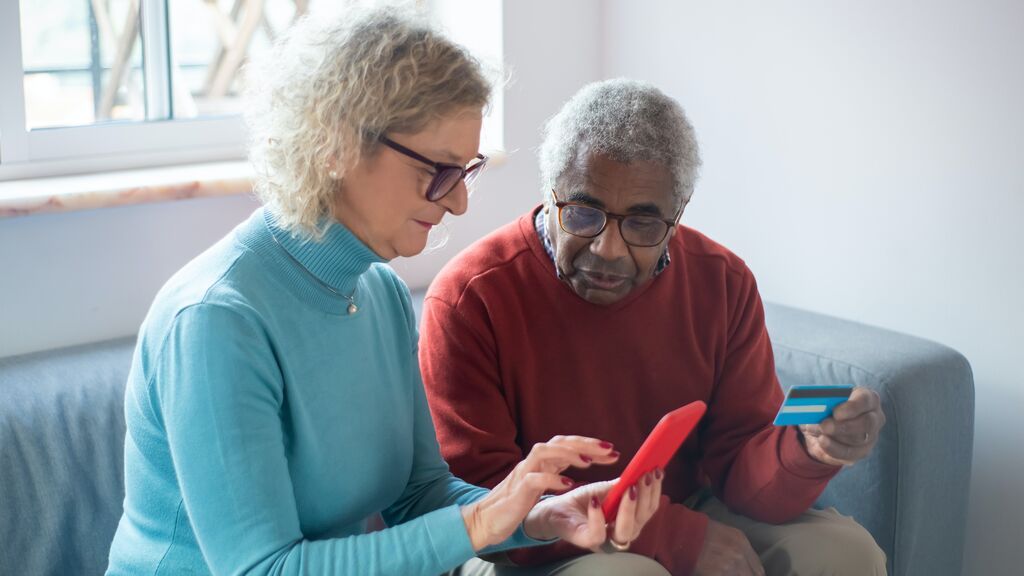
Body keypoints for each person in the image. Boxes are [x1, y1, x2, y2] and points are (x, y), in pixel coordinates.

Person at [105, 12, 663, 576]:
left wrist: (540, 517)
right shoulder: (217, 320)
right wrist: (480, 523)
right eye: (437, 171)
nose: (457, 203)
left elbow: (417, 493)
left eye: (464, 171)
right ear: (334, 145)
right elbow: (260, 569)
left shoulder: (381, 293)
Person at [420, 79, 888, 576]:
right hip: (522, 542)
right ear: (550, 195)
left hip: (683, 504)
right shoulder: (472, 296)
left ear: (678, 213)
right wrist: (671, 538)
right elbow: (484, 502)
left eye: (643, 225)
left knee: (845, 553)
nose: (609, 250)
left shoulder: (721, 282)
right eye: (582, 213)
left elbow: (741, 472)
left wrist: (807, 450)